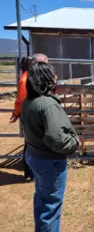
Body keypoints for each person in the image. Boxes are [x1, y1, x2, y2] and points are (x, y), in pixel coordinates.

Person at [21, 62, 80, 231]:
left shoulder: (29, 101)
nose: (56, 80)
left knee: (42, 199)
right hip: (50, 160)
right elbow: (57, 139)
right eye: (53, 77)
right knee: (51, 206)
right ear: (45, 80)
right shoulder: (48, 104)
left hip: (35, 155)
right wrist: (74, 143)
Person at [10, 53, 49, 181]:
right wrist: (17, 113)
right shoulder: (25, 79)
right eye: (44, 62)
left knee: (38, 140)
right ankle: (29, 172)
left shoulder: (39, 76)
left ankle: (35, 171)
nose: (47, 65)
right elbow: (21, 99)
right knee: (30, 142)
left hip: (39, 112)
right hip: (30, 114)